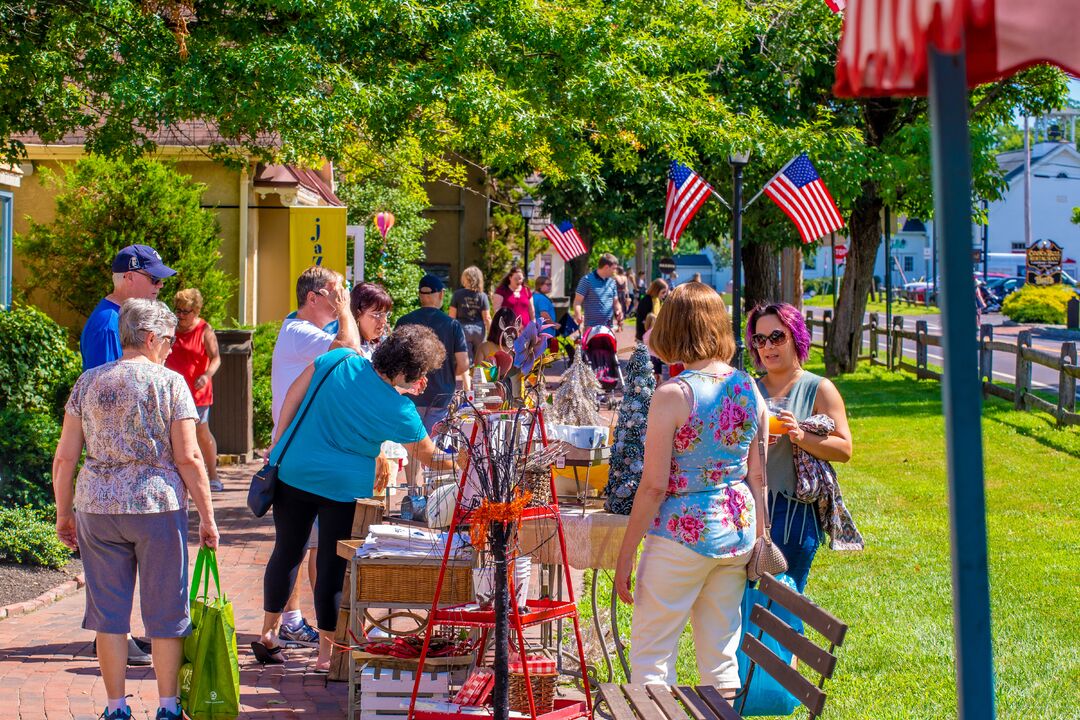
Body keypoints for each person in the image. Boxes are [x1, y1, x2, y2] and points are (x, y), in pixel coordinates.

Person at [254, 325, 458, 672]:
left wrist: (277, 441)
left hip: (294, 470)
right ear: (408, 372)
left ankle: (267, 635)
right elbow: (429, 456)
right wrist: (465, 461)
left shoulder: (339, 359)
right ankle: (325, 655)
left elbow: (293, 394)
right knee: (333, 570)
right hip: (344, 488)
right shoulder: (400, 410)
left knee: (287, 551)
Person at [53, 299, 219, 720]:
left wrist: (63, 512)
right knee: (165, 610)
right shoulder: (170, 383)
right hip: (156, 506)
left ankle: (114, 708)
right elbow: (188, 457)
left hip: (97, 506)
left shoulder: (87, 383)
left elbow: (64, 458)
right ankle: (166, 706)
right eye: (167, 340)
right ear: (150, 338)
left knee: (108, 614)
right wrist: (207, 516)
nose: (169, 348)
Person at [614, 282, 767, 694]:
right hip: (737, 530)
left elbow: (652, 487)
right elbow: (758, 475)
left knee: (652, 654)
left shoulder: (672, 395)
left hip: (681, 533)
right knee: (720, 656)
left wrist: (625, 557)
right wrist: (761, 536)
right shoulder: (748, 387)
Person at [79, 244, 176, 667]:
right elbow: (111, 401)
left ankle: (122, 642)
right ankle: (121, 648)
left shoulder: (117, 320)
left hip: (110, 490)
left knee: (119, 584)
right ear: (127, 277)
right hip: (121, 483)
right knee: (118, 588)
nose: (158, 287)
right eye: (153, 279)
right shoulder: (108, 325)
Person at [270, 266, 362, 649]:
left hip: (305, 454)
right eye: (337, 293)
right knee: (301, 548)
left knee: (300, 547)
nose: (343, 298)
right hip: (302, 458)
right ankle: (289, 626)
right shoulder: (300, 332)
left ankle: (281, 626)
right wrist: (346, 313)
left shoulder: (305, 332)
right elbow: (352, 353)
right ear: (315, 298)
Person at [746, 302, 853, 593]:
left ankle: (786, 640)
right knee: (746, 597)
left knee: (783, 597)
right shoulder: (749, 389)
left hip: (795, 512)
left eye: (777, 337)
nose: (768, 346)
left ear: (796, 337)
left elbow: (844, 448)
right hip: (749, 507)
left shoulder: (818, 388)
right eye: (760, 339)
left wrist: (801, 437)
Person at [396, 274, 469, 484]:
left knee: (412, 445)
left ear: (420, 295)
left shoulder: (404, 322)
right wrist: (445, 373)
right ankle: (431, 493)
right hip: (441, 395)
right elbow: (463, 364)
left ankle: (412, 491)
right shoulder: (452, 325)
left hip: (409, 394)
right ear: (441, 295)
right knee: (435, 445)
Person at [81, 244, 176, 371]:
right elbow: (106, 385)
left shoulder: (121, 316)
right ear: (130, 277)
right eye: (154, 278)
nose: (160, 285)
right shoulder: (109, 324)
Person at [164, 288, 223, 492]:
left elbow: (216, 358)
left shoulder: (204, 330)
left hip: (197, 392)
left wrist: (206, 375)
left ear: (196, 311)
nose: (180, 315)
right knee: (173, 435)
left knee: (201, 433)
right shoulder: (170, 328)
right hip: (172, 393)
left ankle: (213, 476)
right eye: (178, 310)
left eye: (185, 311)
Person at [350, 282, 400, 495]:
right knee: (360, 516)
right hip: (364, 446)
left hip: (384, 440)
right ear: (357, 313)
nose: (383, 321)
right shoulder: (351, 352)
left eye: (386, 314)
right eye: (376, 314)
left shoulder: (377, 346)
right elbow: (355, 404)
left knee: (379, 512)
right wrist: (375, 449)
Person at [449, 266, 492, 392]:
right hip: (479, 330)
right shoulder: (482, 296)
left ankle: (468, 391)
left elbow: (452, 316)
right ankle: (480, 390)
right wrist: (491, 335)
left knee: (465, 361)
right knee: (480, 360)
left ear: (465, 278)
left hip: (463, 330)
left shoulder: (457, 294)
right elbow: (487, 317)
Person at [574, 253, 622, 332]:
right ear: (606, 267)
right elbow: (577, 302)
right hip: (591, 328)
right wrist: (578, 314)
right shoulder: (586, 280)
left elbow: (616, 302)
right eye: (614, 268)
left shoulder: (612, 282)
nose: (615, 271)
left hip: (608, 328)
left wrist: (619, 310)